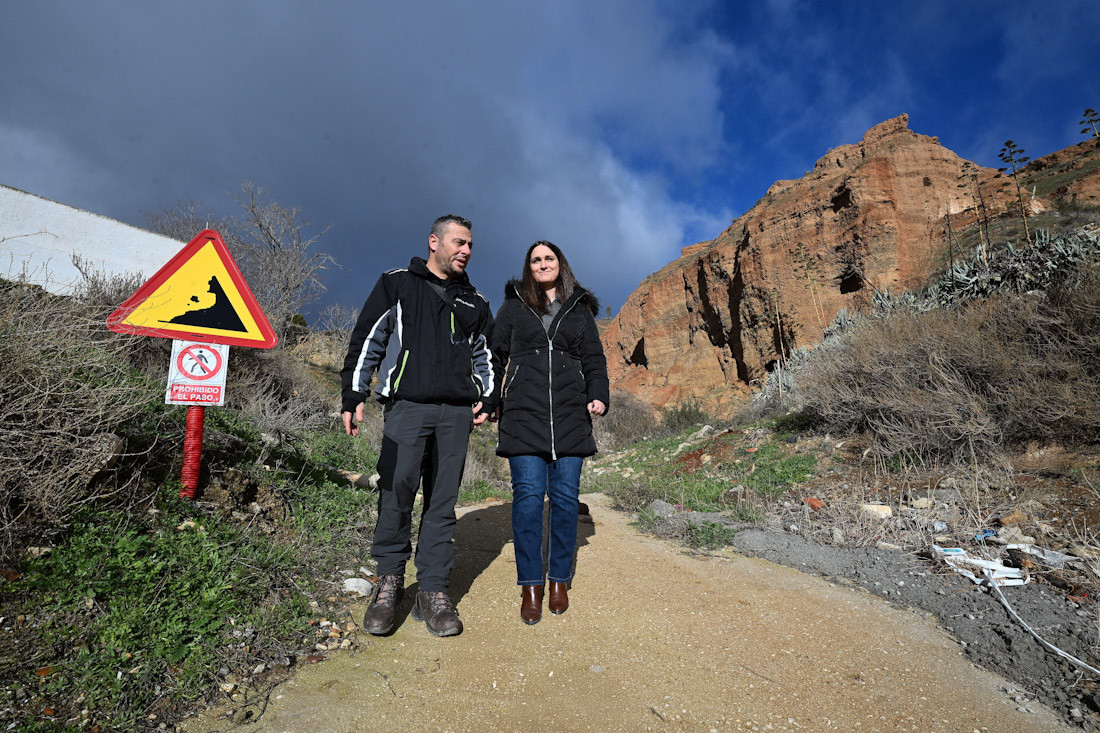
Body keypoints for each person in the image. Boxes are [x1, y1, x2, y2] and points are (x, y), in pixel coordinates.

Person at [341, 214, 495, 637]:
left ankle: (432, 588)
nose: (466, 250)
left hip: (456, 414)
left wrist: (488, 393)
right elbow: (369, 339)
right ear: (434, 241)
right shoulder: (397, 283)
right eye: (459, 242)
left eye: (470, 245)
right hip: (407, 407)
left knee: (442, 501)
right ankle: (389, 581)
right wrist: (353, 394)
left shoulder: (475, 301)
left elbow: (487, 355)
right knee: (396, 492)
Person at [481, 241, 609, 625]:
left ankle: (559, 580)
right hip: (523, 414)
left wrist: (598, 395)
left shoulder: (580, 309)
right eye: (535, 260)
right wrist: (490, 399)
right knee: (529, 500)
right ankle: (531, 585)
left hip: (570, 415)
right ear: (528, 268)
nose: (542, 264)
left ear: (560, 264)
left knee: (567, 500)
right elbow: (494, 355)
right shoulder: (513, 307)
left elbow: (594, 359)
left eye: (548, 258)